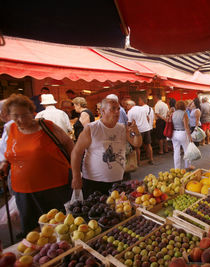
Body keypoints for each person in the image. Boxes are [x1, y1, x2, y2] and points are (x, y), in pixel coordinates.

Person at [0, 94, 73, 236]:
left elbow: (70, 145)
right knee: (32, 230)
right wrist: (4, 163)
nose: (20, 120)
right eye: (15, 116)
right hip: (23, 190)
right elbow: (8, 153)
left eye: (24, 115)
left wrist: (76, 172)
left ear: (32, 112)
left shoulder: (46, 126)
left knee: (57, 227)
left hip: (53, 188)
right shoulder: (10, 129)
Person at [71, 98, 140, 198]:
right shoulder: (92, 128)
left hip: (117, 181)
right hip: (94, 182)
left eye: (118, 109)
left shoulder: (122, 128)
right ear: (103, 111)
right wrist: (76, 176)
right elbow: (76, 152)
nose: (117, 112)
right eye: (113, 109)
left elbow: (137, 143)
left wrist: (136, 131)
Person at [127, 97, 154, 165]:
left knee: (137, 147)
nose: (126, 107)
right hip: (146, 128)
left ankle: (138, 162)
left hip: (138, 130)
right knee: (148, 145)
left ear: (130, 105)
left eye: (127, 105)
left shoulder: (130, 112)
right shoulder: (142, 108)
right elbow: (147, 118)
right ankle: (151, 159)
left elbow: (129, 123)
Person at [171, 101, 194, 170]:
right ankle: (188, 166)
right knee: (186, 150)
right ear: (184, 106)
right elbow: (186, 127)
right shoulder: (184, 114)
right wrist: (190, 137)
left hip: (174, 133)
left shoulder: (173, 113)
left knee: (176, 151)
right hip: (182, 133)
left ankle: (177, 168)